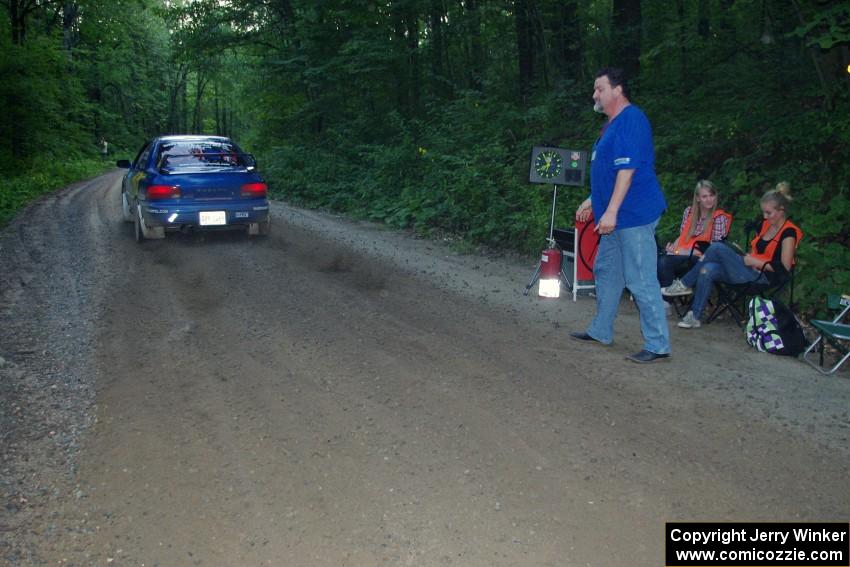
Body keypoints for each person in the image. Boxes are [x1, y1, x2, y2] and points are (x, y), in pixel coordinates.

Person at [571, 67, 671, 363]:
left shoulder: (631, 120)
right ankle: (601, 329)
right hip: (613, 218)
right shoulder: (611, 126)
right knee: (607, 271)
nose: (595, 95)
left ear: (617, 90)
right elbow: (609, 172)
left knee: (640, 279)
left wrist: (612, 211)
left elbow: (628, 170)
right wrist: (593, 200)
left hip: (633, 215)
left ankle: (657, 344)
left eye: (599, 88)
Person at [662, 182, 802, 329]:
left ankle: (684, 284)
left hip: (763, 277)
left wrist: (756, 262)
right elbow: (757, 253)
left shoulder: (788, 233)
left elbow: (785, 268)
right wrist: (744, 254)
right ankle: (694, 316)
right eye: (763, 212)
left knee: (716, 247)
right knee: (708, 269)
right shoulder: (765, 225)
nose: (765, 216)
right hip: (748, 269)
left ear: (781, 211)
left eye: (768, 213)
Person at [657, 180, 732, 287]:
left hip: (702, 257)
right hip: (683, 252)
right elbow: (682, 235)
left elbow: (715, 248)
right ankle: (665, 295)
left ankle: (670, 295)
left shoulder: (719, 218)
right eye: (704, 196)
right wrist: (673, 247)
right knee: (662, 260)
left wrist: (684, 252)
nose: (709, 200)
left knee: (666, 262)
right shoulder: (689, 212)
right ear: (697, 198)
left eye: (711, 195)